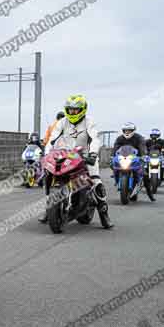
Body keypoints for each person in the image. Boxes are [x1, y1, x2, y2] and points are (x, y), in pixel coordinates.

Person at [41, 94, 113, 228]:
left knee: (96, 181)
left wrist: (92, 153)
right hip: (65, 156)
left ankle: (104, 214)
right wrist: (47, 153)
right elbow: (52, 139)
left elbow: (95, 138)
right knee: (48, 175)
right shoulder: (62, 122)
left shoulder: (89, 121)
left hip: (85, 156)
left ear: (83, 109)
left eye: (76, 110)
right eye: (70, 109)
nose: (72, 112)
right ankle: (49, 208)